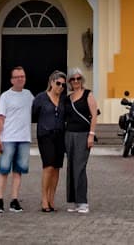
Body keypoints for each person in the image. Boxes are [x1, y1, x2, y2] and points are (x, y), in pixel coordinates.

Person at [0, 65, 33, 213]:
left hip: (24, 138)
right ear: (11, 80)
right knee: (3, 170)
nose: (20, 79)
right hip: (8, 138)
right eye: (17, 77)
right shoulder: (5, 96)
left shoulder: (28, 95)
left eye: (22, 76)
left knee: (18, 171)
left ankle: (14, 200)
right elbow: (0, 118)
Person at [62, 67, 99, 214]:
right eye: (73, 79)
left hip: (83, 134)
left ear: (82, 80)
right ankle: (76, 202)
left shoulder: (88, 95)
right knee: (71, 167)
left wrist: (91, 134)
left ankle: (83, 202)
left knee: (80, 167)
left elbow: (94, 115)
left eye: (78, 78)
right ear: (70, 82)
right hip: (69, 135)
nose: (76, 81)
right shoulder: (68, 98)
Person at [33, 71, 68, 212]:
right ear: (51, 82)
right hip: (45, 135)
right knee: (48, 166)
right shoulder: (41, 98)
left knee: (57, 167)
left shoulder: (64, 100)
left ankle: (52, 198)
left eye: (63, 85)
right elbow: (33, 114)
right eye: (58, 83)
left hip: (60, 135)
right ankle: (44, 199)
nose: (60, 87)